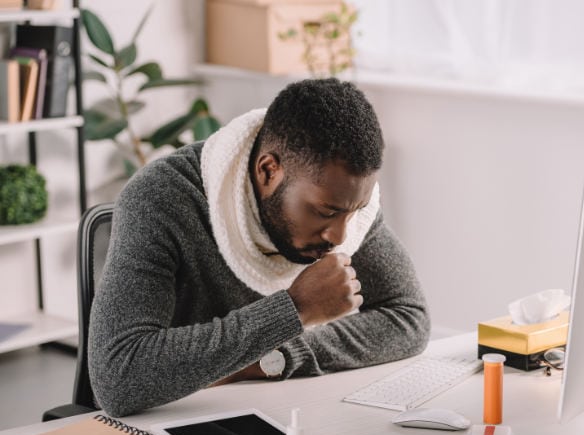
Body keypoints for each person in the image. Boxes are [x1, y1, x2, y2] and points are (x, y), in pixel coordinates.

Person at [89, 78, 431, 417]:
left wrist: (273, 358)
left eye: (354, 211)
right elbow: (119, 377)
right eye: (325, 212)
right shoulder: (160, 198)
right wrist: (294, 309)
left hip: (276, 411)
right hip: (170, 424)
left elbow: (409, 318)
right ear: (269, 171)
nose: (341, 236)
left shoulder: (346, 202)